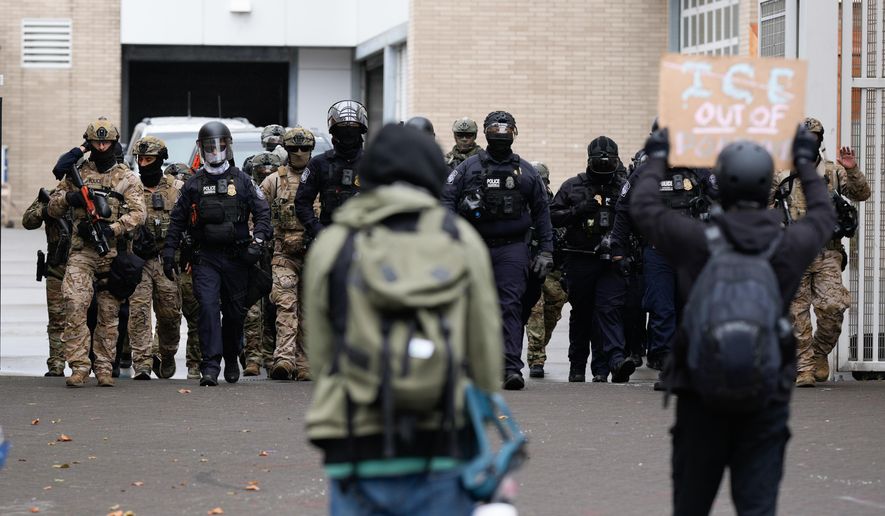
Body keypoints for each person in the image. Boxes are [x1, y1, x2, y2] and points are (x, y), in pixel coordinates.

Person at [631, 127, 835, 515]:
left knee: (691, 506)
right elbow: (824, 215)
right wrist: (806, 163)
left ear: (719, 184)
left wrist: (657, 152)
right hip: (765, 395)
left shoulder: (696, 241)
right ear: (765, 189)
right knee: (756, 507)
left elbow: (645, 209)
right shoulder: (788, 246)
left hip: (699, 393)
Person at [304, 123, 502, 515]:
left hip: (356, 441)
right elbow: (485, 354)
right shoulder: (461, 239)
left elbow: (323, 354)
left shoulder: (335, 243)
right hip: (442, 439)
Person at [441, 110, 553, 390]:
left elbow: (542, 214)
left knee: (510, 306)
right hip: (473, 246)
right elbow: (445, 202)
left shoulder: (526, 172)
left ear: (514, 133)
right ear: (487, 133)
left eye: (506, 130)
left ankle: (510, 368)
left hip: (512, 249)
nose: (501, 134)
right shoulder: (467, 169)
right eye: (495, 129)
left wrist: (546, 252)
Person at [162, 121, 273, 386]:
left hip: (237, 258)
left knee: (235, 314)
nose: (215, 152)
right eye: (209, 147)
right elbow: (177, 220)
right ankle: (210, 366)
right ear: (201, 149)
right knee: (209, 309)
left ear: (228, 146)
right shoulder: (194, 184)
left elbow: (263, 213)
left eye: (219, 146)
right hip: (206, 258)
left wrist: (257, 241)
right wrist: (169, 252)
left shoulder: (243, 181)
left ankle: (232, 357)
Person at [47, 118, 147, 387]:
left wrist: (113, 229)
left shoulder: (127, 178)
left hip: (113, 253)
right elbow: (52, 207)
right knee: (75, 303)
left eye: (106, 142)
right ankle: (79, 366)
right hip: (82, 252)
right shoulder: (76, 173)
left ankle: (104, 367)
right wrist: (70, 198)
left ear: (114, 143)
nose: (101, 147)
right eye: (96, 142)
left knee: (108, 313)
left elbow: (140, 214)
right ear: (89, 143)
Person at [773, 117, 870, 387]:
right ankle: (803, 369)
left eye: (813, 138)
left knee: (833, 308)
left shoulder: (833, 171)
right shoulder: (781, 174)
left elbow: (862, 194)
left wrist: (852, 170)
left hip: (827, 252)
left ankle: (818, 354)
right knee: (796, 314)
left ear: (819, 140)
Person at [549, 137, 636, 383]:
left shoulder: (624, 187)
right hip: (580, 259)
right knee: (582, 314)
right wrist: (577, 212)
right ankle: (577, 367)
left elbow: (639, 220)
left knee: (609, 310)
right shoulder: (572, 186)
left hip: (612, 260)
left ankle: (611, 364)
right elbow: (551, 216)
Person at [259, 128, 316, 381]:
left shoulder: (320, 178)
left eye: (304, 149)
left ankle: (305, 363)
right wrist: (257, 238)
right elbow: (257, 211)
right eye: (294, 149)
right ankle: (284, 358)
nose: (300, 153)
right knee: (285, 304)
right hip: (283, 254)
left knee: (309, 309)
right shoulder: (274, 180)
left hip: (315, 254)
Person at [128, 136, 183, 380]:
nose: (143, 164)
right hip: (139, 261)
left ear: (160, 160)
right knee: (138, 312)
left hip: (166, 259)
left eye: (149, 159)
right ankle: (141, 363)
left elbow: (188, 222)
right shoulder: (130, 188)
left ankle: (166, 353)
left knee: (170, 315)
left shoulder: (177, 189)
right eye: (140, 159)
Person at [295, 100, 368, 239]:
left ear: (361, 130)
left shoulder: (373, 163)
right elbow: (302, 203)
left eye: (352, 127)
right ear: (334, 132)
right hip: (328, 235)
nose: (347, 132)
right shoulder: (319, 163)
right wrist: (318, 231)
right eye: (342, 128)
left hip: (365, 237)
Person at [22, 188, 73, 376]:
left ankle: (83, 364)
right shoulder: (52, 195)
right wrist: (46, 210)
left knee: (84, 319)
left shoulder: (91, 196)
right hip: (56, 266)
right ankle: (57, 363)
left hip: (86, 267)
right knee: (57, 317)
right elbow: (27, 221)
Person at [525, 161, 567, 379]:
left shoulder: (553, 204)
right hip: (530, 265)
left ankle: (539, 346)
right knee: (536, 309)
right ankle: (536, 358)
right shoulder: (522, 205)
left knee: (554, 306)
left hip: (552, 269)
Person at [242, 152, 282, 376]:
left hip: (277, 255)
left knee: (274, 307)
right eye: (261, 172)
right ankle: (253, 358)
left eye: (270, 172)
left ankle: (271, 355)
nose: (265, 175)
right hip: (255, 255)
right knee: (253, 311)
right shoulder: (249, 193)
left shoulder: (285, 189)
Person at [165, 162, 202, 379]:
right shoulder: (159, 197)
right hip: (167, 262)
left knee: (196, 315)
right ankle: (163, 354)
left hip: (190, 264)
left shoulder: (196, 200)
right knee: (168, 314)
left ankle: (194, 364)